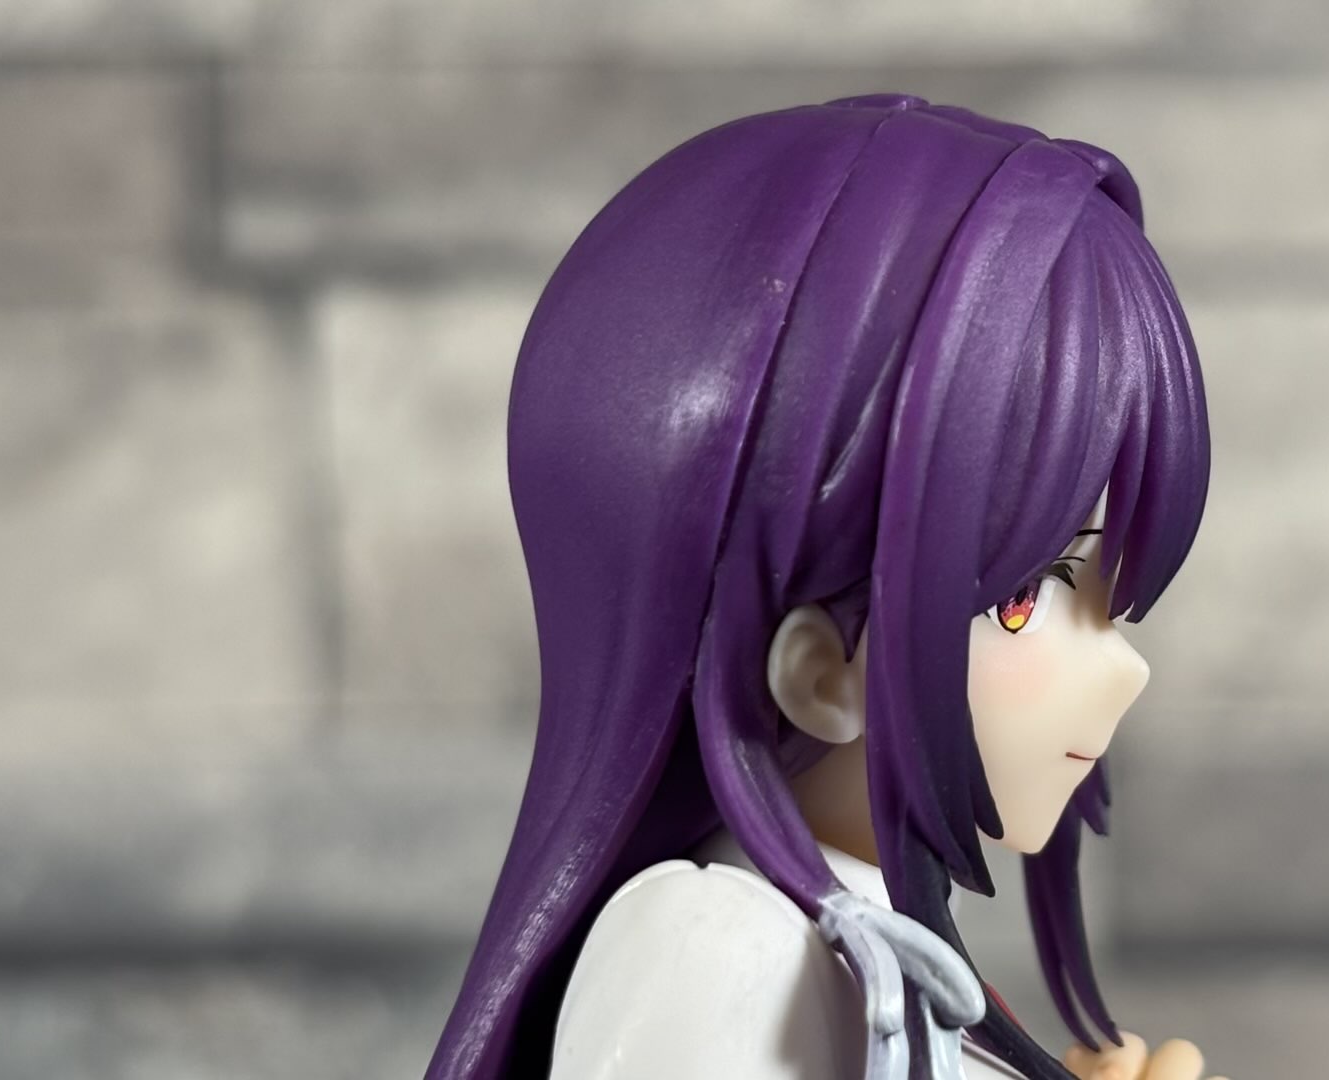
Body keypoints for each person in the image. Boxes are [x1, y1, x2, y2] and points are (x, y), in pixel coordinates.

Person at [425, 94, 1215, 1080]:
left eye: (1110, 593)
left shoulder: (868, 950)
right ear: (819, 668)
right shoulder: (712, 948)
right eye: (1029, 593)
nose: (1128, 668)